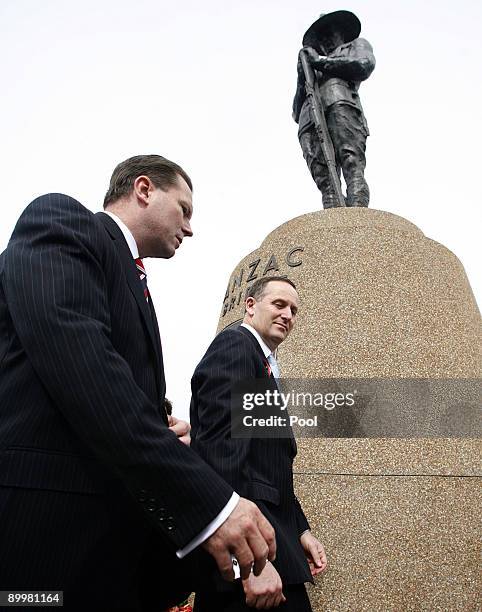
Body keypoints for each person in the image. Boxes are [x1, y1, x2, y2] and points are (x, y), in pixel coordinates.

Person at [0, 155, 276, 611]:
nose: (189, 229)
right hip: (42, 546)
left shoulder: (135, 283)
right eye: (184, 210)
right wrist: (212, 507)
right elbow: (88, 374)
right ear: (144, 189)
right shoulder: (62, 224)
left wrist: (157, 425)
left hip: (110, 555)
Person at [190, 276, 327, 611]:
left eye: (294, 310)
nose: (288, 315)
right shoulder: (236, 348)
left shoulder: (263, 364)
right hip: (253, 563)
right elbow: (220, 456)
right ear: (250, 306)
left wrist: (301, 531)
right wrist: (247, 565)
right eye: (279, 304)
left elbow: (266, 467)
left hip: (275, 546)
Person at [292, 10, 375, 208]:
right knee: (325, 179)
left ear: (341, 32)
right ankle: (333, 224)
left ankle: (358, 217)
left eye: (330, 33)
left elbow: (365, 65)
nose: (326, 40)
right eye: (321, 38)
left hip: (340, 103)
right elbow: (295, 112)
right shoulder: (311, 69)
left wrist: (321, 62)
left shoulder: (354, 46)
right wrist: (301, 77)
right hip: (309, 118)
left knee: (351, 162)